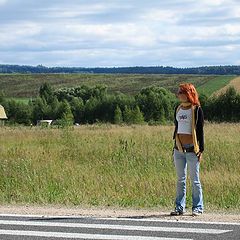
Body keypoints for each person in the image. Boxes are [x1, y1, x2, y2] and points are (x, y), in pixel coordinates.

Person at [170, 83, 204, 216]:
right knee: (180, 179)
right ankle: (179, 207)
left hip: (192, 150)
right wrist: (174, 146)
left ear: (188, 93)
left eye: (180, 92)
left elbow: (200, 130)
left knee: (195, 180)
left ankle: (198, 207)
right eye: (178, 92)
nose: (178, 94)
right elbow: (177, 127)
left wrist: (201, 149)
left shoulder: (196, 109)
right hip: (178, 150)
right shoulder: (178, 108)